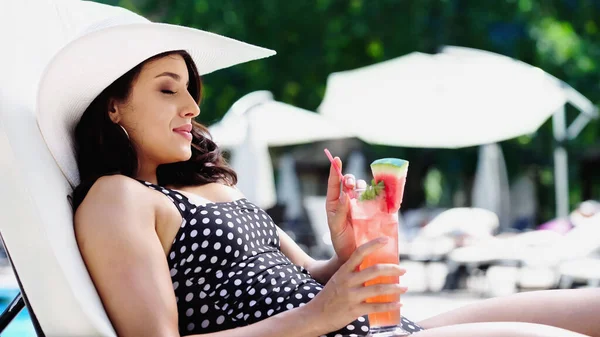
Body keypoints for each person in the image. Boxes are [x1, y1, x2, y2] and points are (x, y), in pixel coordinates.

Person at [36, 2, 600, 337]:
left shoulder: (199, 190)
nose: (193, 108)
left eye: (191, 90)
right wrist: (318, 317)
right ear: (113, 105)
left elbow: (311, 277)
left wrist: (345, 250)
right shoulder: (118, 198)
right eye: (167, 90)